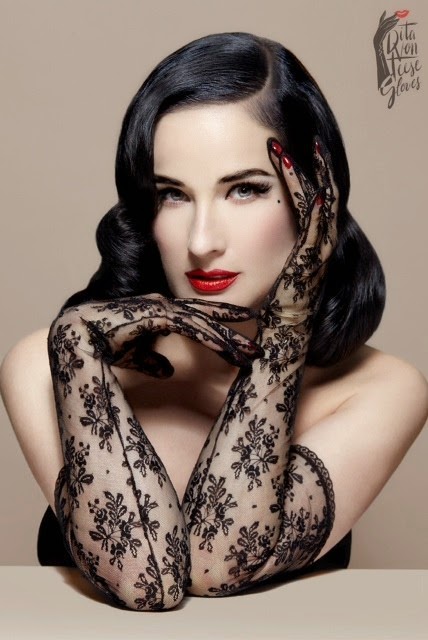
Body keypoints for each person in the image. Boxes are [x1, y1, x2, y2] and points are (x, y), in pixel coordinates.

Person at [0, 32, 427, 611]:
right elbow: (143, 577)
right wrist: (78, 346)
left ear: (315, 198)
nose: (201, 242)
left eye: (245, 190)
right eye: (172, 195)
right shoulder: (48, 362)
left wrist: (287, 326)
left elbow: (214, 563)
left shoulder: (382, 389)